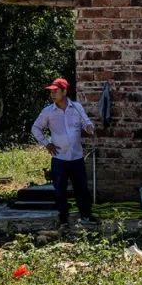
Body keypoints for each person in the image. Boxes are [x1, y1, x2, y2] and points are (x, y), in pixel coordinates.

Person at [30, 77, 99, 227]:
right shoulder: (48, 111)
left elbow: (86, 122)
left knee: (81, 189)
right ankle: (63, 220)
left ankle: (86, 216)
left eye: (56, 91)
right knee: (59, 191)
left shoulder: (77, 108)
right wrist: (46, 144)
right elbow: (35, 128)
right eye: (51, 92)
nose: (53, 94)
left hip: (76, 156)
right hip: (59, 158)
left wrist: (89, 128)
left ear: (64, 91)